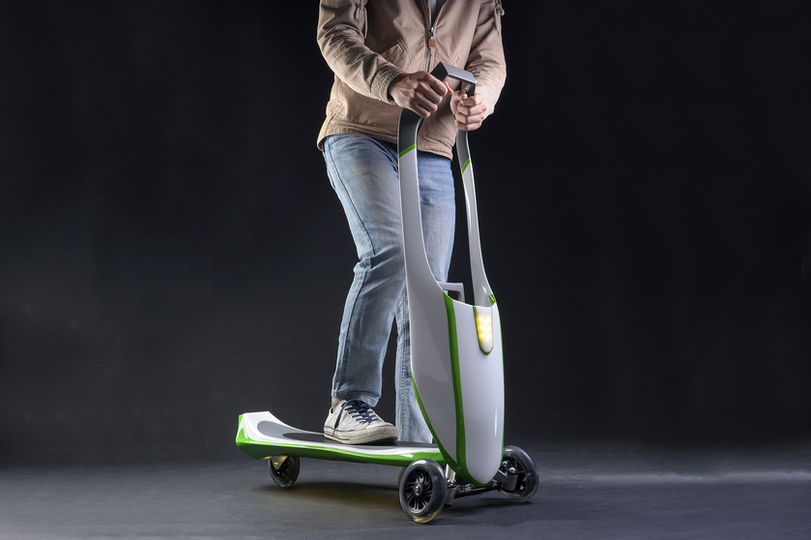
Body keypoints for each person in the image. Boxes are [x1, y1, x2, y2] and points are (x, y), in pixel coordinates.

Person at [316, 0, 506, 444]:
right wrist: (391, 81)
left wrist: (481, 97)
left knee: (429, 292)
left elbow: (489, 58)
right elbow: (335, 33)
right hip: (362, 131)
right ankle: (348, 403)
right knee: (393, 251)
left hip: (433, 147)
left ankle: (419, 438)